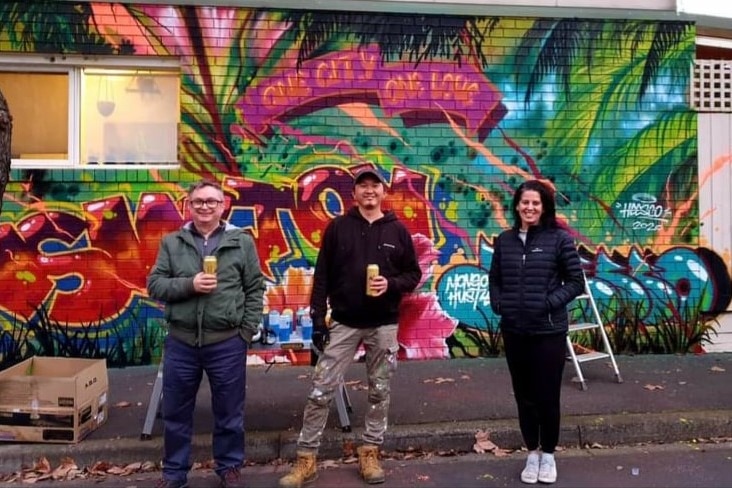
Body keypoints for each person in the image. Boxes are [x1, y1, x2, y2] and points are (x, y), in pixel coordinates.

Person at [279, 167, 422, 487]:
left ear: (383, 192)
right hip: (344, 323)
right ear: (354, 194)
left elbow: (414, 275)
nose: (369, 191)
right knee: (320, 390)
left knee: (379, 390)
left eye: (375, 186)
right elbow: (323, 276)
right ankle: (306, 459)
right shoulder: (339, 228)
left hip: (383, 324)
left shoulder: (397, 230)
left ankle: (370, 450)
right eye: (363, 187)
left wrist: (392, 283)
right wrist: (318, 318)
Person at [147, 179, 265, 488]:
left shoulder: (241, 242)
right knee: (175, 413)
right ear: (189, 205)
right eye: (199, 201)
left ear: (223, 205)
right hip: (182, 342)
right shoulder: (173, 242)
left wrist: (246, 333)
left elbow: (255, 289)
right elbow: (155, 285)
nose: (205, 207)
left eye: (211, 201)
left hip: (226, 342)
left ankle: (229, 468)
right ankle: (174, 473)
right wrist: (190, 284)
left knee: (229, 412)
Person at [488, 179, 584, 485]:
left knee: (547, 396)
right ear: (517, 205)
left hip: (548, 331)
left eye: (535, 203)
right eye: (524, 202)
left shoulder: (559, 240)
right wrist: (499, 303)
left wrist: (548, 303)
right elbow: (495, 279)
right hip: (515, 330)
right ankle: (532, 452)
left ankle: (549, 455)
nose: (529, 208)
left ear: (544, 208)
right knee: (524, 397)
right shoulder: (504, 241)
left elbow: (575, 282)